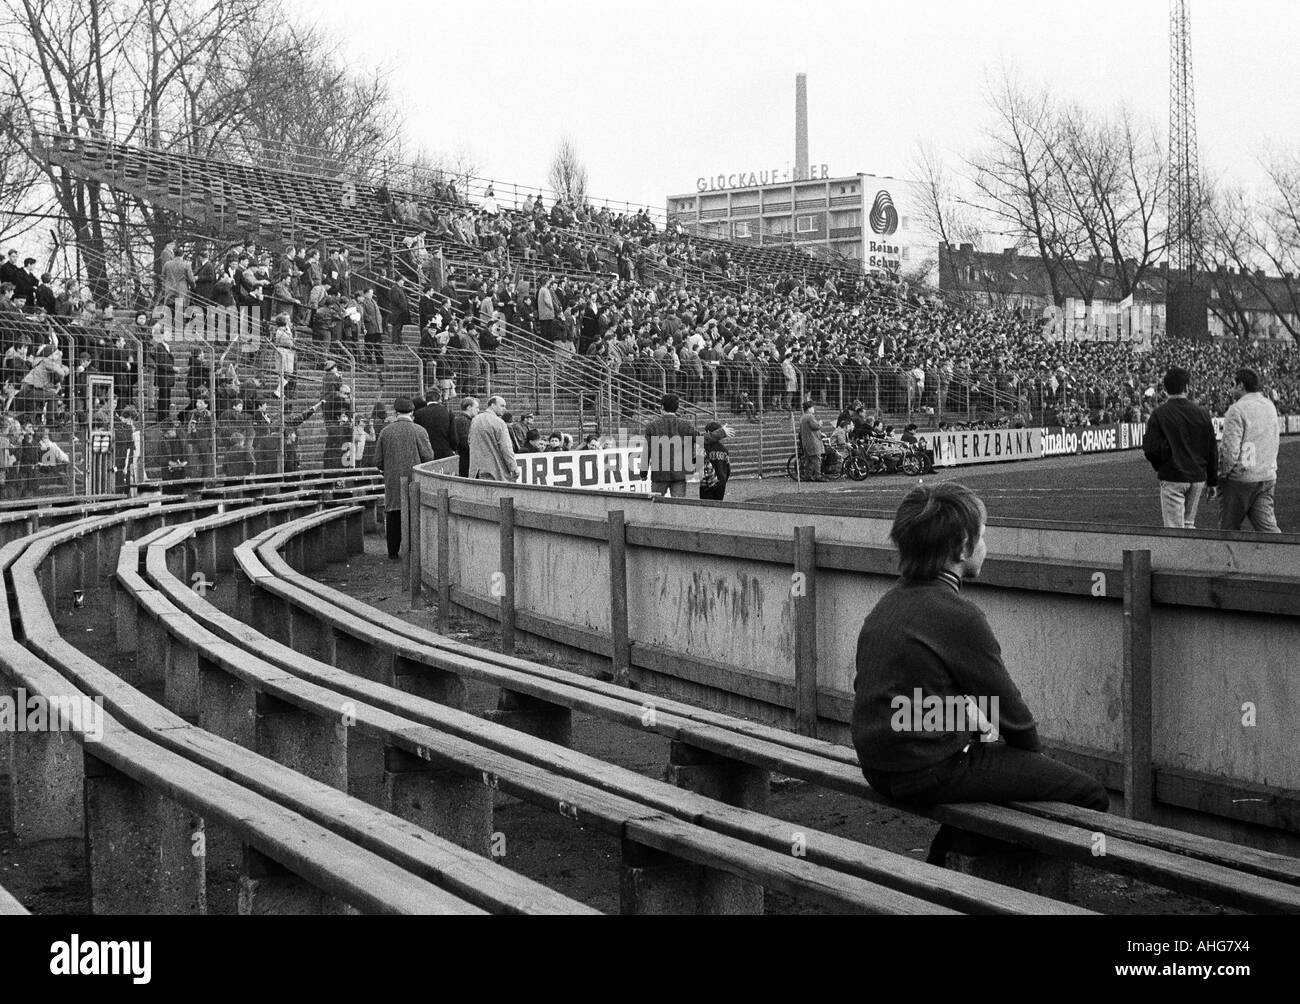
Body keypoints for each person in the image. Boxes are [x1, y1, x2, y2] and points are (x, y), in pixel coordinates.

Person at [852, 482, 1109, 866]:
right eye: (983, 536)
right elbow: (1015, 718)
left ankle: (947, 857)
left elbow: (893, 705)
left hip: (879, 766)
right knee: (1090, 794)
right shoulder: (958, 616)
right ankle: (981, 877)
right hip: (924, 772)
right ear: (960, 547)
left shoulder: (887, 604)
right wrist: (1029, 760)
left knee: (995, 773)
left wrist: (969, 724)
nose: (986, 545)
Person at [1141, 367, 1217, 530]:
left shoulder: (1160, 414)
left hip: (1173, 476)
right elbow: (1212, 449)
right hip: (1197, 477)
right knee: (1189, 525)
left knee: (1174, 529)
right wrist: (1212, 481)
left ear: (1166, 389)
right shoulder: (1202, 413)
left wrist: (1162, 465)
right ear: (1187, 388)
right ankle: (1192, 555)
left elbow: (1150, 448)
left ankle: (1180, 556)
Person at [1215, 367, 1282, 533]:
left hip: (1242, 479)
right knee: (1268, 530)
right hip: (1266, 475)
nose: (1230, 389)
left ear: (1241, 386)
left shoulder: (1236, 410)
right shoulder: (1269, 406)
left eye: (1233, 385)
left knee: (1228, 531)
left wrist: (1222, 475)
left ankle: (1229, 559)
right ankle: (1286, 557)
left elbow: (1230, 451)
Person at [373, 396, 434, 560]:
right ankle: (412, 549)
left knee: (393, 512)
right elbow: (428, 457)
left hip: (393, 480)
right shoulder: (419, 430)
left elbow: (377, 460)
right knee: (413, 512)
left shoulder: (386, 431)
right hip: (415, 480)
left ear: (395, 411)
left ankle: (393, 551)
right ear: (412, 412)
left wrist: (387, 469)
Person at [642, 393, 717, 498]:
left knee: (656, 506)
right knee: (678, 506)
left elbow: (647, 452)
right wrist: (721, 432)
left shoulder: (652, 426)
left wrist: (643, 473)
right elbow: (702, 439)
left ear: (662, 407)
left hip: (659, 474)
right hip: (680, 474)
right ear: (676, 408)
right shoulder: (686, 425)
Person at [468, 395, 518, 481]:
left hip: (476, 469)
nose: (504, 409)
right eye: (502, 406)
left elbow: (469, 441)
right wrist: (513, 467)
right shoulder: (500, 423)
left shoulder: (475, 420)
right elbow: (506, 448)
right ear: (492, 405)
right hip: (495, 471)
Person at [414, 391, 459, 460]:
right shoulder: (448, 412)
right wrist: (454, 448)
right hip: (444, 452)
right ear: (439, 399)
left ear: (426, 399)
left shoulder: (418, 414)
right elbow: (453, 435)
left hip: (425, 453)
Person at [699, 421, 733, 501]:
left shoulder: (702, 447)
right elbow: (728, 468)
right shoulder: (724, 449)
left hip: (706, 482)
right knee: (718, 506)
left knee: (706, 506)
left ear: (708, 432)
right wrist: (724, 479)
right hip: (721, 481)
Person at [798, 399, 826, 482]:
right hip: (813, 441)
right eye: (813, 407)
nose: (814, 409)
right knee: (817, 459)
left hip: (806, 441)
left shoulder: (802, 417)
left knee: (808, 460)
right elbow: (815, 426)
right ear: (809, 409)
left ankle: (807, 475)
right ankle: (818, 475)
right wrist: (820, 423)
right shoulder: (810, 416)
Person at [455, 397, 478, 478]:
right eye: (476, 407)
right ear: (469, 407)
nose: (478, 410)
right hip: (466, 460)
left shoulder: (463, 420)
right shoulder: (463, 421)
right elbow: (466, 443)